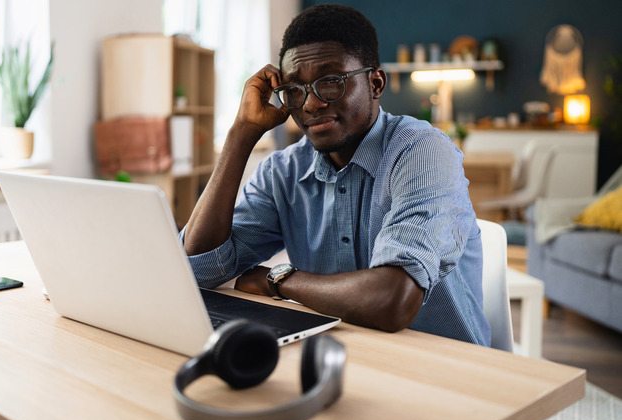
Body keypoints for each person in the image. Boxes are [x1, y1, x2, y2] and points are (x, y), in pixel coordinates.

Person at [181, 4, 490, 345]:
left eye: (331, 82)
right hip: (341, 355)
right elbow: (197, 269)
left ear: (375, 83)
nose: (311, 103)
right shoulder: (282, 172)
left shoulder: (422, 152)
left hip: (448, 372)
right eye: (296, 90)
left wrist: (279, 280)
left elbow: (392, 300)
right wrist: (242, 133)